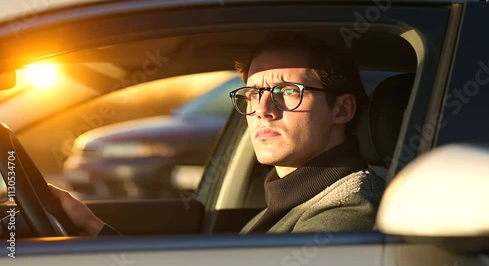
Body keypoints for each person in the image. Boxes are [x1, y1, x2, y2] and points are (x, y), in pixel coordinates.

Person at [50, 32, 385, 235]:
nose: (262, 109)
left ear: (341, 110)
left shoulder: (346, 214)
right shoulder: (291, 200)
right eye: (253, 94)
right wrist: (93, 227)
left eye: (286, 91)